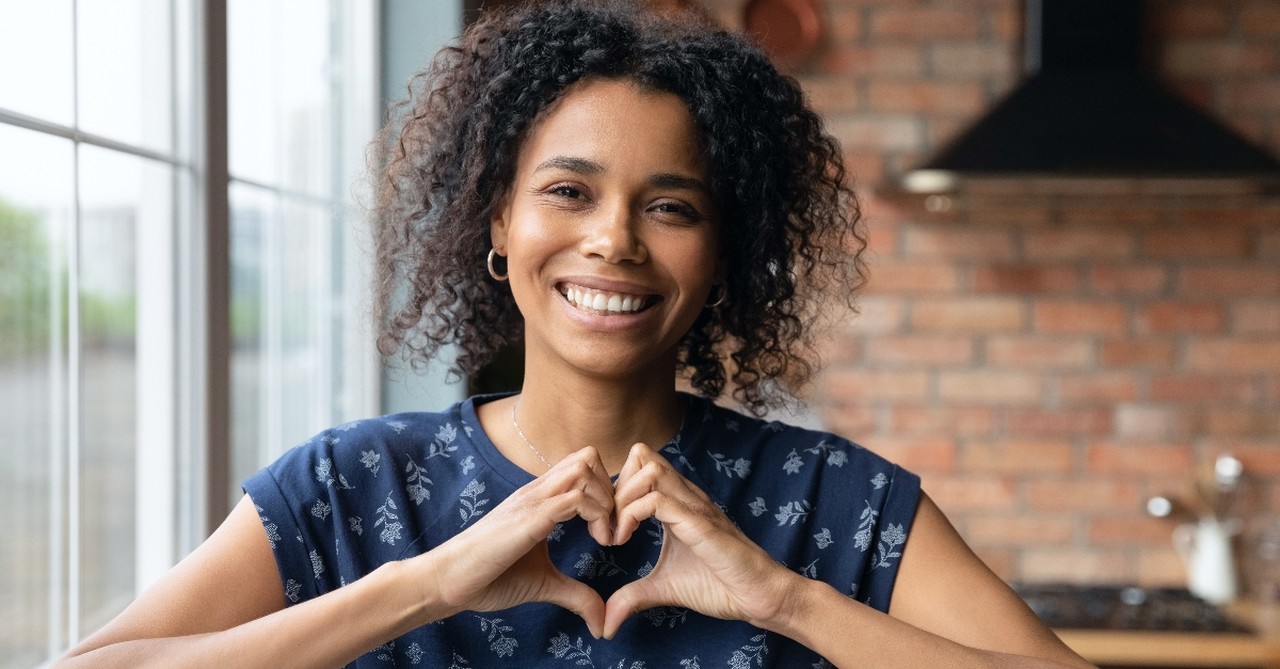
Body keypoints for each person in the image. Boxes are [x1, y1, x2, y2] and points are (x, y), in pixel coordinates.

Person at [58, 2, 1095, 667]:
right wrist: (424, 586)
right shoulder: (346, 490)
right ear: (497, 227)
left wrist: (784, 602)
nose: (613, 241)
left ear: (722, 256)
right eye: (567, 190)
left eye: (672, 207)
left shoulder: (836, 501)